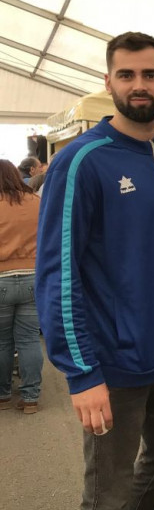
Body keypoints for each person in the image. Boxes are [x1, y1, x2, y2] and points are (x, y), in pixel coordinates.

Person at [35, 31, 154, 510]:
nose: (139, 85)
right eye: (126, 75)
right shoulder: (80, 161)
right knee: (107, 493)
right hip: (113, 362)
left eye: (149, 74)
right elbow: (58, 271)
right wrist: (81, 373)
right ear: (108, 84)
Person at [0, 159, 43, 413]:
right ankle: (30, 398)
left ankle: (3, 395)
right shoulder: (35, 203)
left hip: (1, 279)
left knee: (2, 341)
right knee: (28, 340)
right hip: (32, 277)